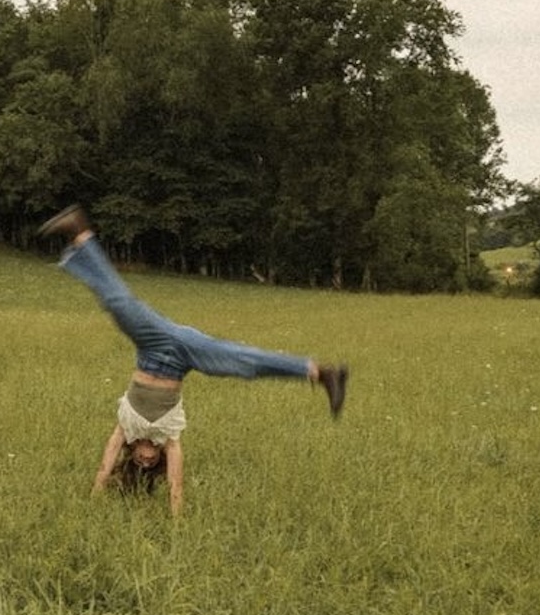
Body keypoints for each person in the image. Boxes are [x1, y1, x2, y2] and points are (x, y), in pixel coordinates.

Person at [39, 204, 348, 516]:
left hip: (153, 343)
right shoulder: (168, 437)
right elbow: (176, 482)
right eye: (151, 462)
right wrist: (177, 517)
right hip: (184, 354)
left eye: (140, 461)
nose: (146, 459)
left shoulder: (127, 430)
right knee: (243, 363)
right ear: (158, 457)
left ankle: (80, 232)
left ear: (132, 454)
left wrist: (96, 493)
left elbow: (106, 462)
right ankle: (321, 373)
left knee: (118, 303)